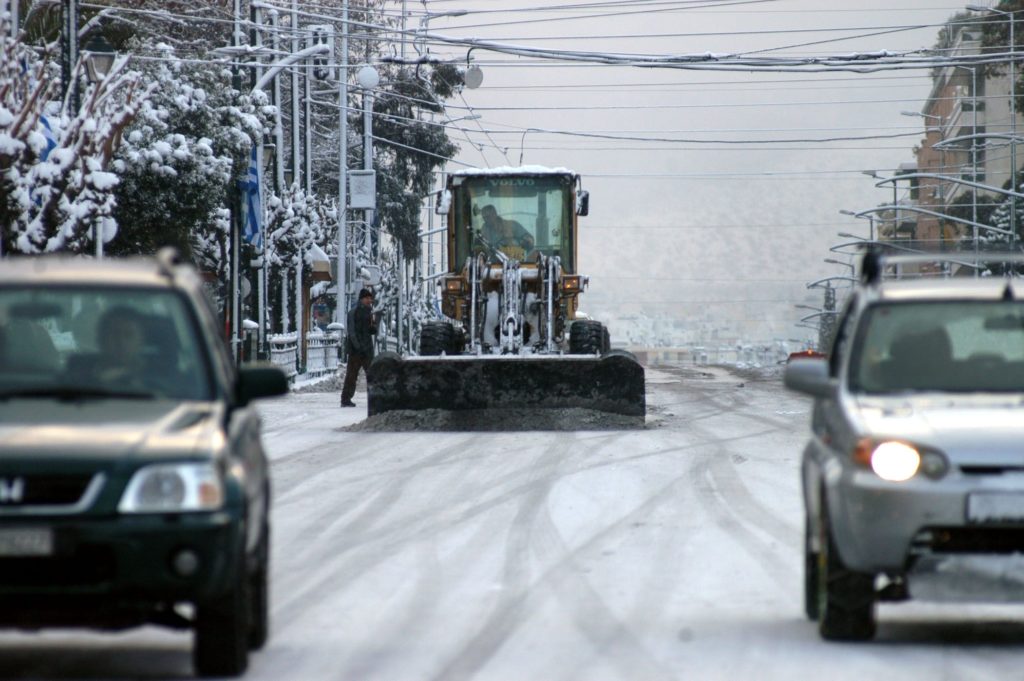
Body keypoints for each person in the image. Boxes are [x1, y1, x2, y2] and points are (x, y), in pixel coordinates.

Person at [341, 288, 378, 407]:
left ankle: (374, 399)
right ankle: (345, 399)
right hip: (355, 351)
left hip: (367, 350)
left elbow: (370, 331)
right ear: (361, 299)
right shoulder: (353, 312)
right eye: (367, 298)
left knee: (372, 375)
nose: (369, 300)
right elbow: (351, 331)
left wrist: (374, 327)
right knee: (351, 376)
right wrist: (357, 346)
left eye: (370, 298)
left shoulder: (370, 312)